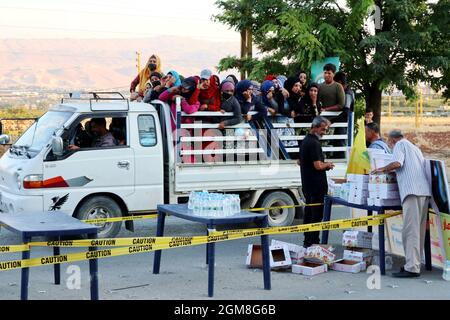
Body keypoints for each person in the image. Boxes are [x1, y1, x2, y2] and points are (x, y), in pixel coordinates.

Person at [372, 130, 432, 278]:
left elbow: (398, 163)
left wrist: (382, 169)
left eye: (389, 144)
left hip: (412, 192)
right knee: (418, 231)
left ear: (392, 140)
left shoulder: (400, 145)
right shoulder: (414, 147)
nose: (390, 147)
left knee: (410, 231)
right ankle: (416, 263)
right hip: (423, 192)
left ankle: (411, 268)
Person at [299, 116, 335, 248]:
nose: (324, 133)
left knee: (309, 214)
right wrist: (328, 165)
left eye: (325, 130)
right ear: (314, 127)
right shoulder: (314, 143)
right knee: (316, 216)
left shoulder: (305, 141)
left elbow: (299, 161)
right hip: (316, 187)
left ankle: (307, 242)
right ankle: (313, 243)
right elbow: (318, 166)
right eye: (323, 130)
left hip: (308, 185)